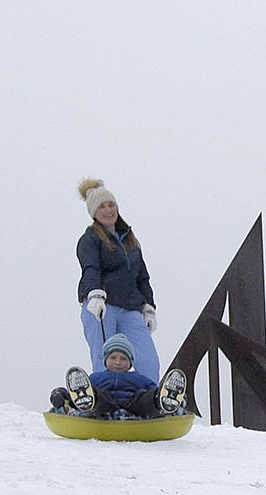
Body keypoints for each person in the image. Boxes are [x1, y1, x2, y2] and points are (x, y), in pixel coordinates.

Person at [75, 178, 159, 379]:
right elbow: (90, 267)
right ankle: (105, 400)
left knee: (147, 360)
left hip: (130, 308)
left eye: (111, 204)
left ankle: (150, 401)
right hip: (102, 307)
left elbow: (142, 277)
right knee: (105, 358)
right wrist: (94, 294)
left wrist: (148, 307)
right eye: (101, 206)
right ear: (94, 213)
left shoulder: (130, 240)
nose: (108, 210)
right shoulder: (90, 239)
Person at [48, 334, 186, 419]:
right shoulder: (97, 378)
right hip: (105, 404)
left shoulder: (138, 378)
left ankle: (168, 400)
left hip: (134, 404)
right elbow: (74, 394)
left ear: (131, 362)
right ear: (105, 360)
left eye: (123, 359)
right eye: (113, 357)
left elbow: (153, 390)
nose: (118, 362)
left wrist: (158, 395)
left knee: (145, 398)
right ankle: (86, 402)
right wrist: (61, 394)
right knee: (97, 396)